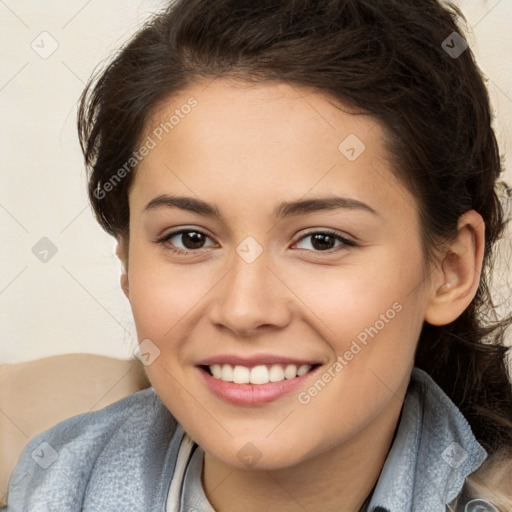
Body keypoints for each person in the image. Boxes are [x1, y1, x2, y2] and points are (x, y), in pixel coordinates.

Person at [4, 0, 512, 510]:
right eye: (190, 238)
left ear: (450, 269)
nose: (244, 310)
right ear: (128, 262)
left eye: (321, 240)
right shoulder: (48, 485)